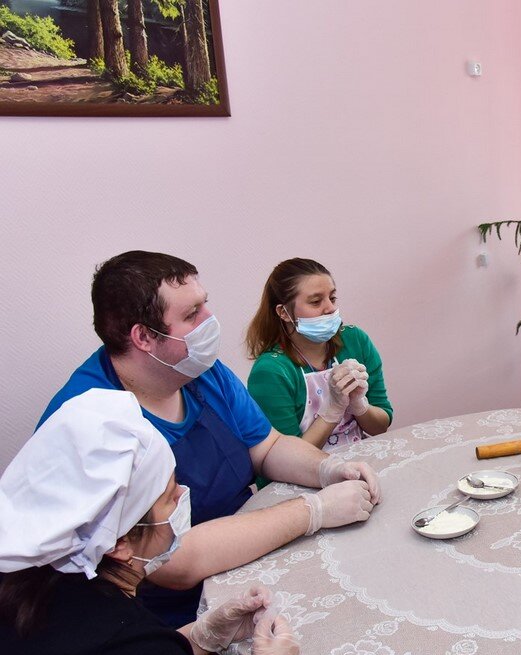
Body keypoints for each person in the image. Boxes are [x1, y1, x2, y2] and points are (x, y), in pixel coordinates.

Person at [39, 251, 381, 626]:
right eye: (191, 315)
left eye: (205, 306)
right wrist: (313, 511)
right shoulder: (92, 423)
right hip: (165, 613)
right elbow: (173, 561)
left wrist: (329, 470)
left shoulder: (200, 370)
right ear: (143, 337)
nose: (209, 322)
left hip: (249, 557)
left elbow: (268, 447)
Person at [0, 389, 299, 655]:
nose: (182, 497)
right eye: (168, 495)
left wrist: (196, 637)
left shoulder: (25, 583)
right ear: (119, 543)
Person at [246, 257, 393, 450]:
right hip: (306, 475)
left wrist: (359, 405)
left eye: (332, 298)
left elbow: (381, 426)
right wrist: (332, 410)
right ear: (283, 312)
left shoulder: (355, 340)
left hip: (359, 459)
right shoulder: (271, 371)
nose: (330, 308)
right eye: (316, 302)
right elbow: (287, 459)